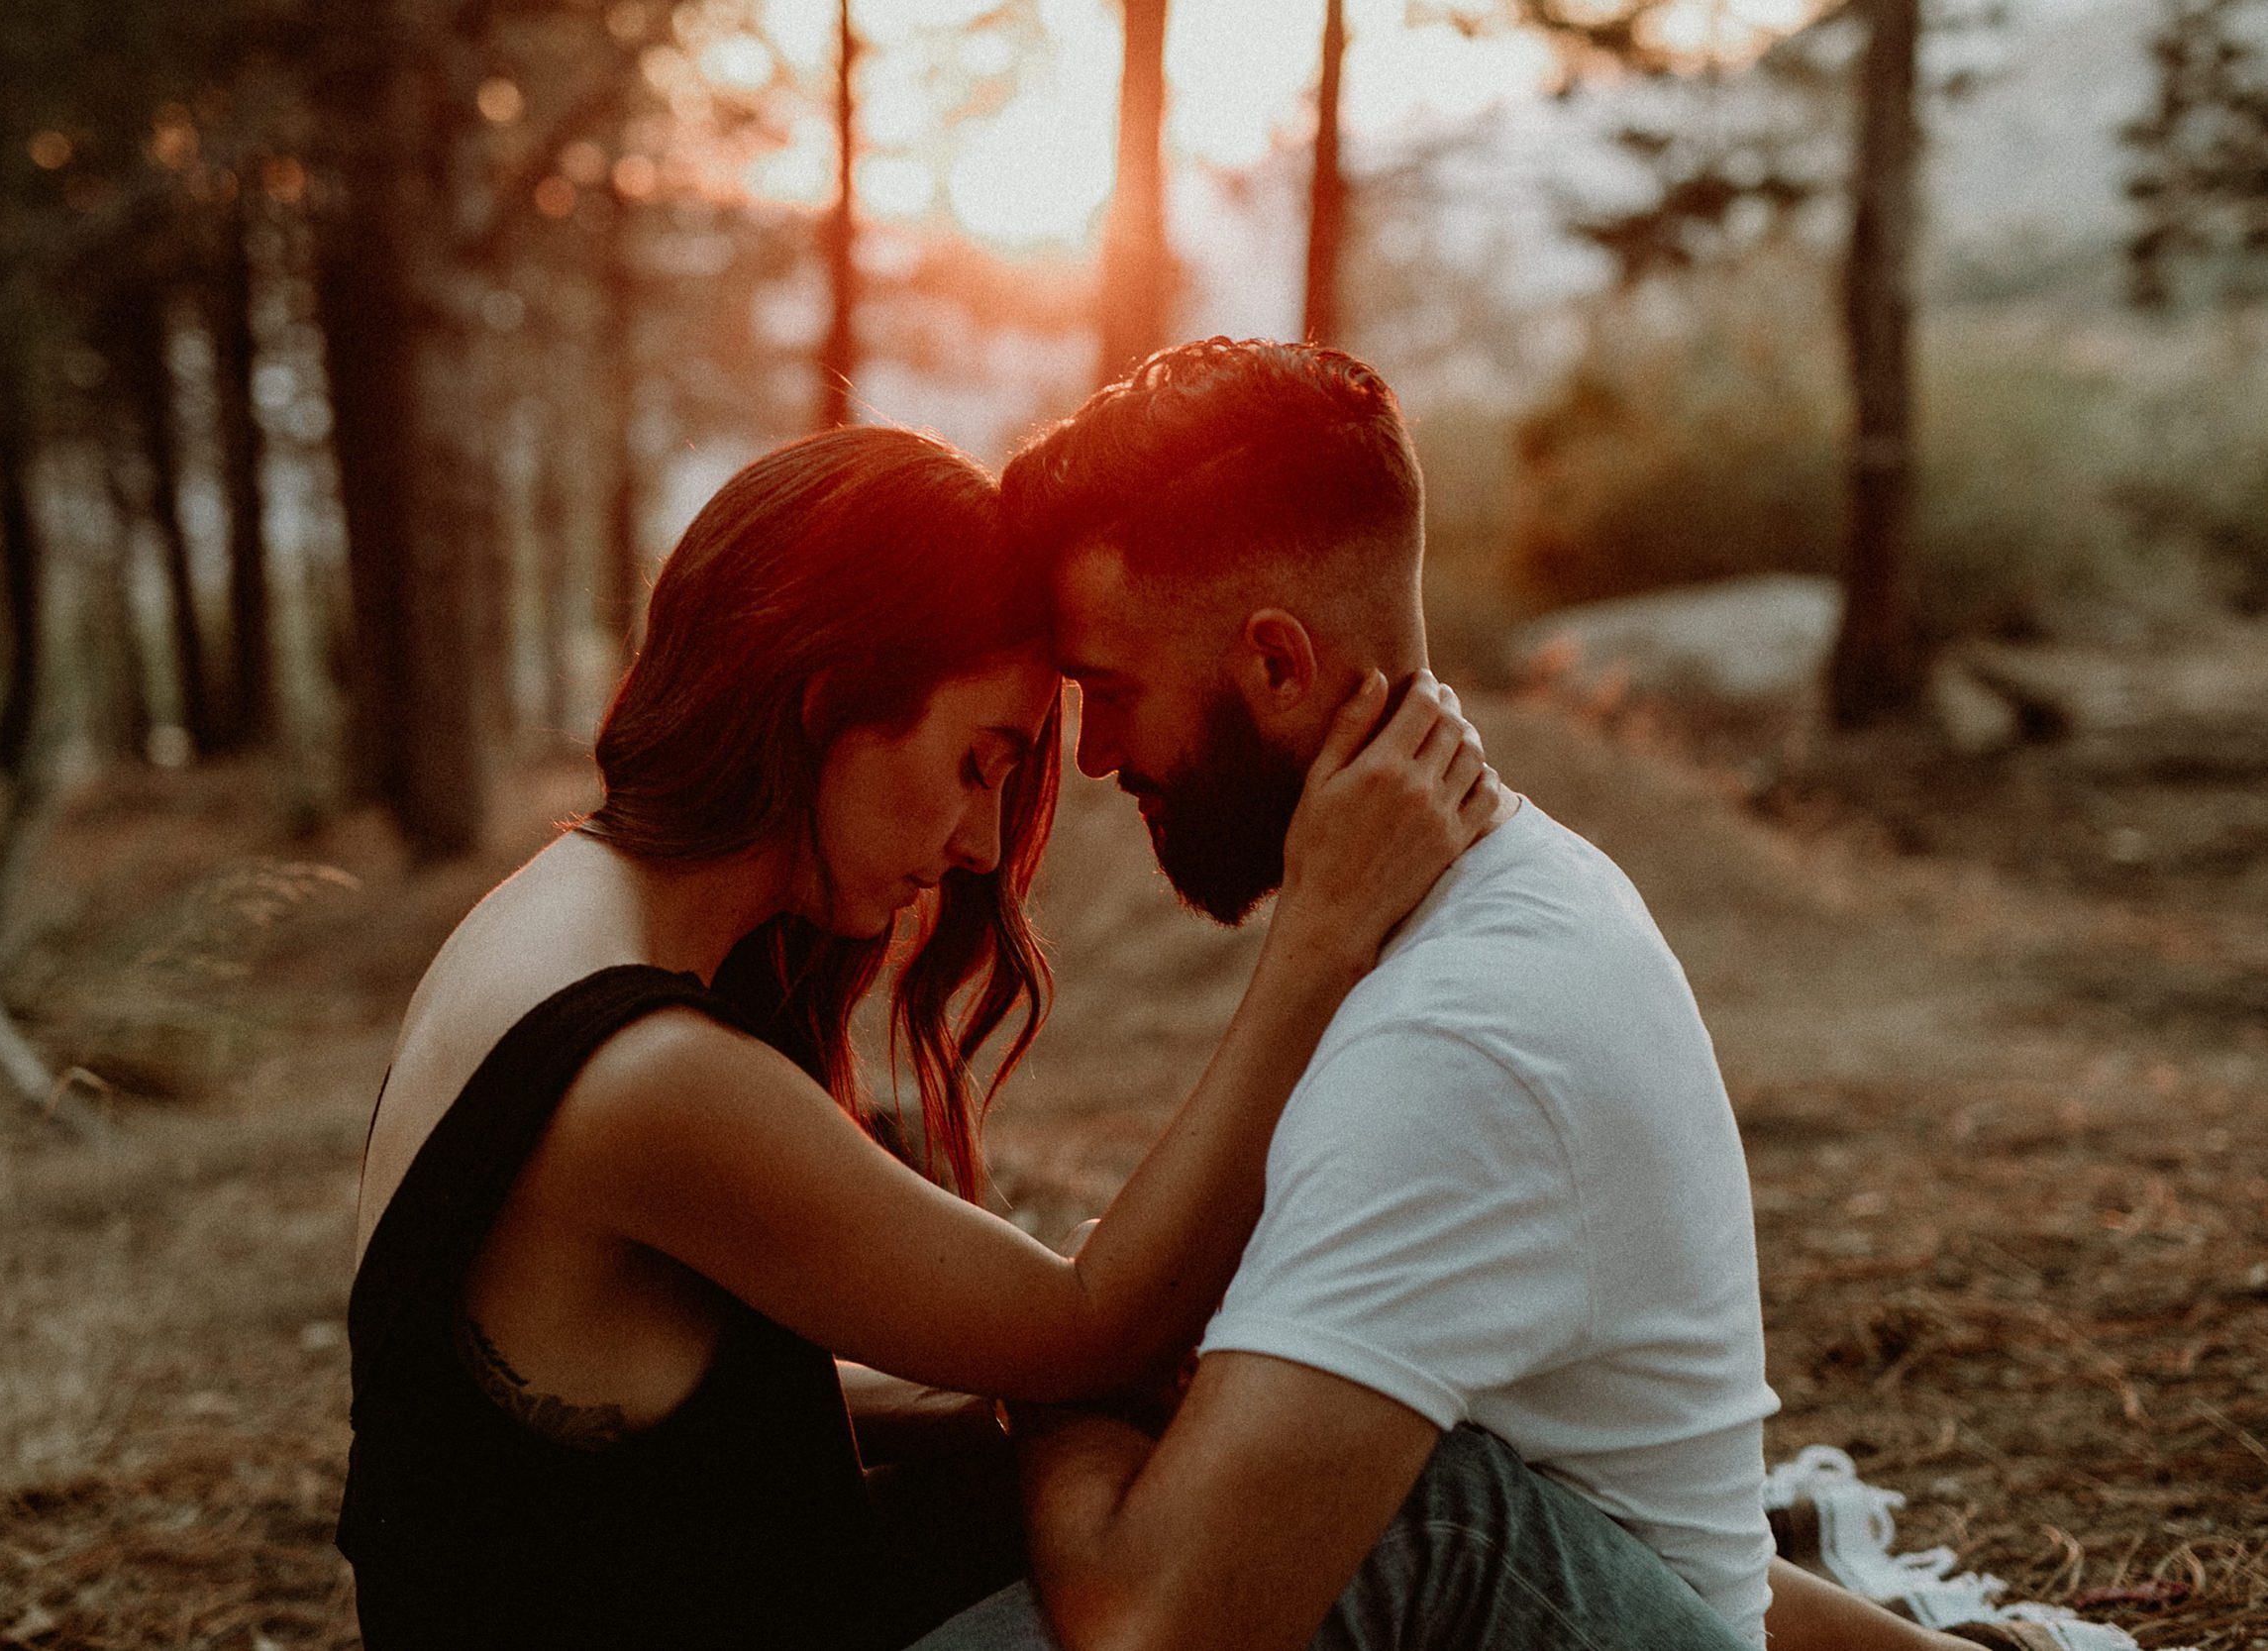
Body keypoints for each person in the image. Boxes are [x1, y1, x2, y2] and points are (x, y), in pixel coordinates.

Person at [335, 423, 1510, 1650]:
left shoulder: (539, 921)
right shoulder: (648, 1078)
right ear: (827, 700)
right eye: (976, 762)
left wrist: (1009, 1406)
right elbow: (1096, 1323)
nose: (983, 846)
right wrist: (1321, 935)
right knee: (1429, 1524)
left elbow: (656, 1428)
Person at [896, 338, 1995, 1651]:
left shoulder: (1458, 1029)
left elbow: (1157, 1630)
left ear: (1279, 667)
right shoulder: (1502, 897)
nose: (1095, 756)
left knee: (1410, 1520)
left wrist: (1066, 1393)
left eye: (1115, 692)